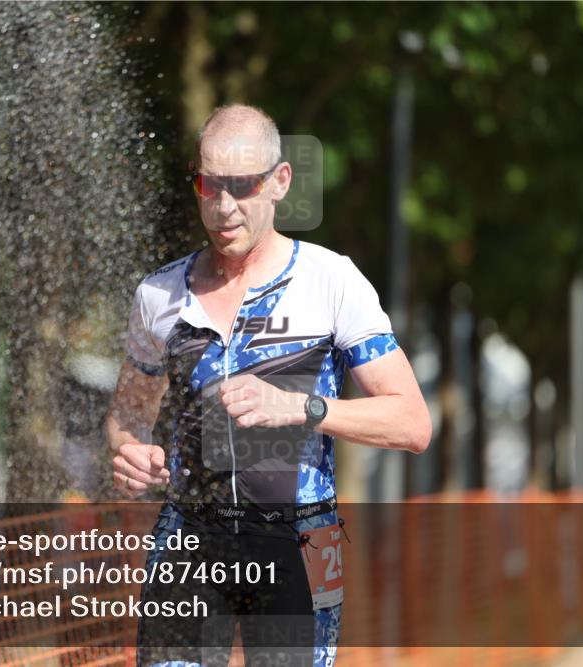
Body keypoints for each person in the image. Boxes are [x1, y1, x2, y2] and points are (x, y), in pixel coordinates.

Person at [104, 104, 431, 667]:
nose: (224, 207)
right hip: (190, 536)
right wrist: (130, 452)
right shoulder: (158, 296)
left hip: (298, 538)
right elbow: (127, 416)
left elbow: (411, 423)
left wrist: (301, 407)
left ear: (280, 181)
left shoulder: (331, 280)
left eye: (243, 187)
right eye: (209, 186)